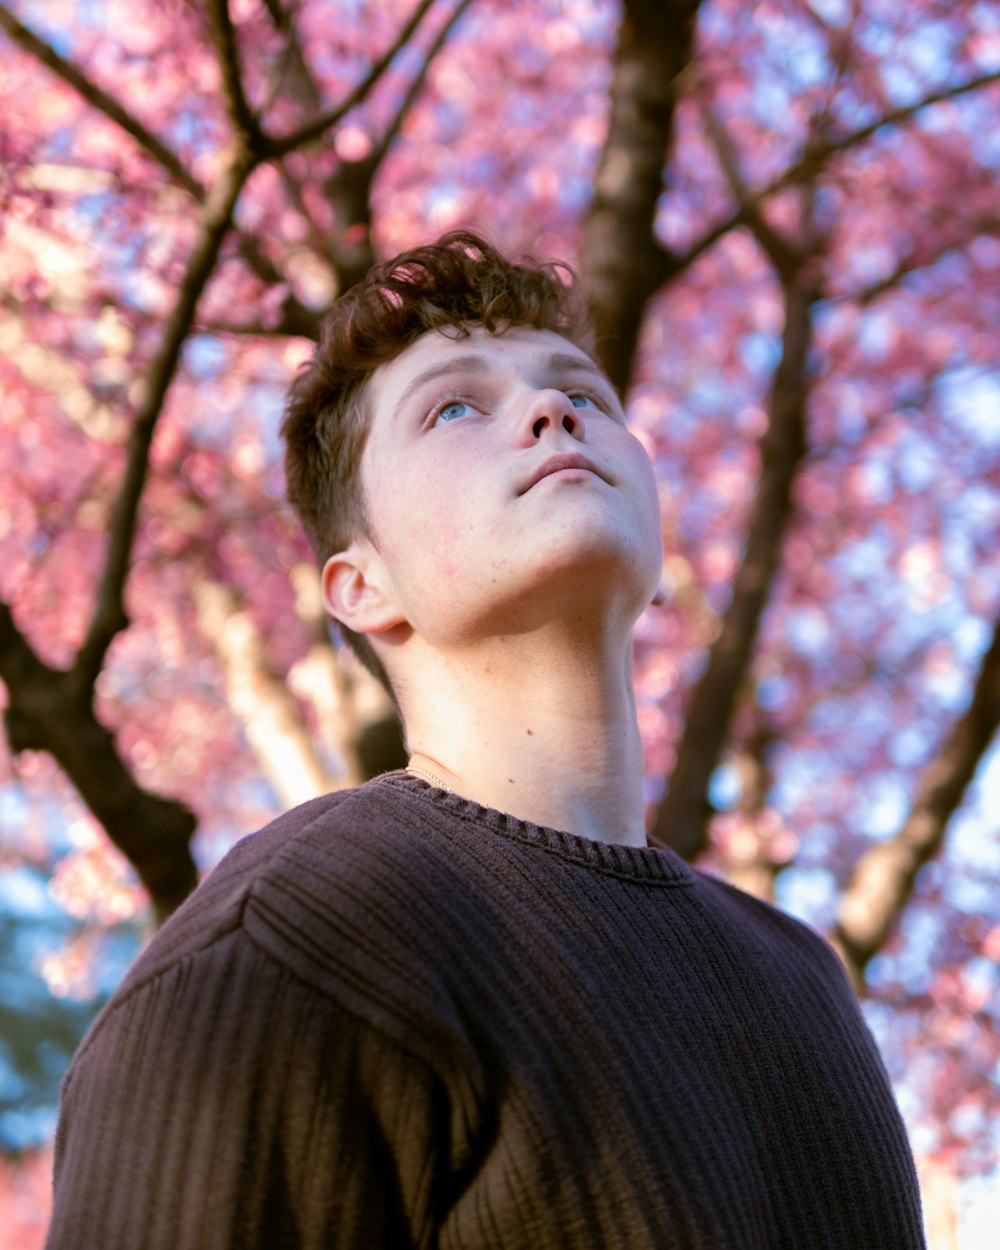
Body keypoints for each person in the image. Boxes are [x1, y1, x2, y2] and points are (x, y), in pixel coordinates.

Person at [46, 232, 926, 1248]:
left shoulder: (802, 979)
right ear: (361, 583)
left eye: (584, 395)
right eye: (453, 406)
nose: (552, 412)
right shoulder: (298, 938)